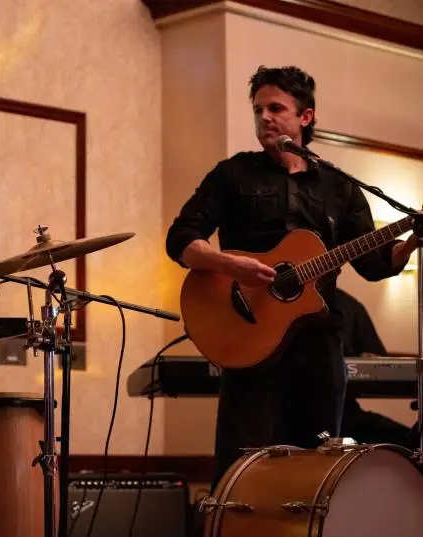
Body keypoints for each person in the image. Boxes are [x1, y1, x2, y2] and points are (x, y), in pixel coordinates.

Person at [165, 65, 420, 489]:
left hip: (318, 343)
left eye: (275, 108)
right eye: (258, 110)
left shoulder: (339, 186)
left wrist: (409, 243)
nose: (264, 117)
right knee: (241, 467)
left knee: (314, 467)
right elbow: (181, 240)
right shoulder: (232, 175)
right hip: (248, 337)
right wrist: (232, 265)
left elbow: (374, 264)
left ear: (305, 116)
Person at [335, 287, 413, 446]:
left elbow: (380, 368)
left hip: (346, 416)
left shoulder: (348, 306)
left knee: (410, 443)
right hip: (289, 419)